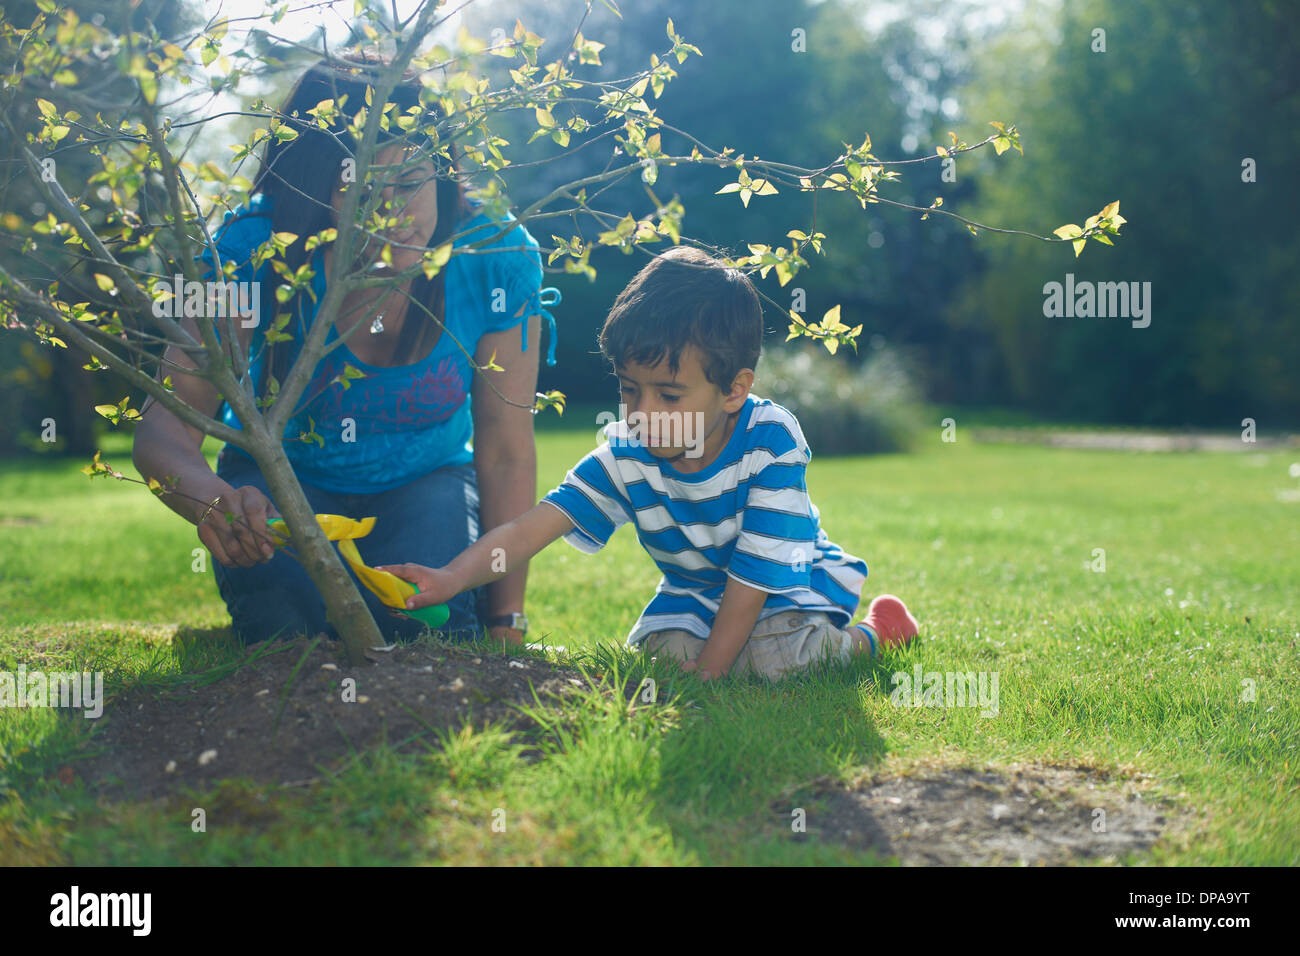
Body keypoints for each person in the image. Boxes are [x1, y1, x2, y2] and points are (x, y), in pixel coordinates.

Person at [132, 53, 560, 647]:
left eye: (412, 183)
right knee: (290, 633)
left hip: (428, 479)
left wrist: (505, 620)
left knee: (428, 629)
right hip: (284, 481)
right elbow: (164, 431)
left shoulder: (496, 255)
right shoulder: (245, 252)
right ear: (312, 197)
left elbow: (507, 450)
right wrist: (215, 503)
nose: (398, 217)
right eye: (365, 193)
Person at [378, 246, 918, 681]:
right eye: (629, 390)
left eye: (669, 395)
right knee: (662, 662)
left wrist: (711, 670)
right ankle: (721, 652)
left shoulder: (770, 442)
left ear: (733, 390)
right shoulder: (627, 452)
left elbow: (755, 575)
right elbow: (529, 530)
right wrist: (450, 577)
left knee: (773, 659)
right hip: (694, 596)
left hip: (781, 586)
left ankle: (873, 634)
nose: (642, 414)